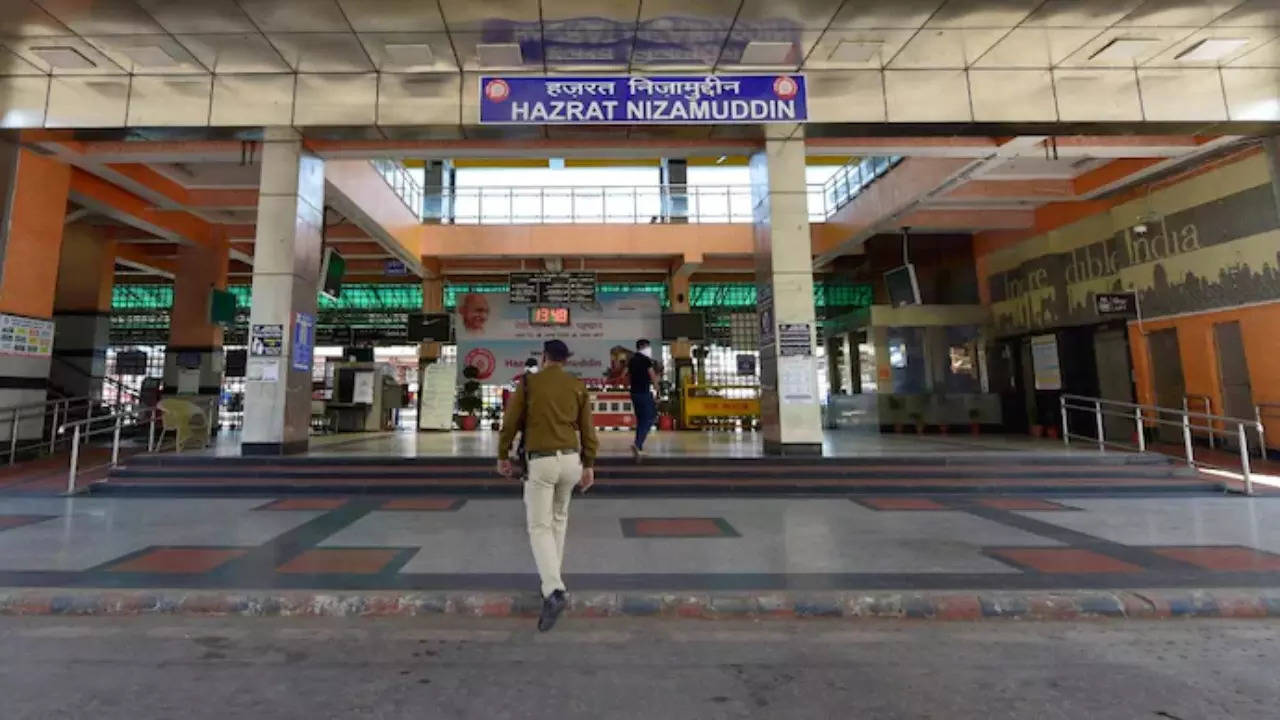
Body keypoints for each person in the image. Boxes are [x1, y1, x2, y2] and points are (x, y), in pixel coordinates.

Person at [497, 339, 597, 632]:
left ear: (544, 357)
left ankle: (554, 591)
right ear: (566, 359)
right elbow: (589, 430)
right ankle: (552, 582)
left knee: (539, 527)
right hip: (570, 461)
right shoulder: (577, 385)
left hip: (541, 463)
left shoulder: (529, 384)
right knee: (558, 522)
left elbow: (511, 422)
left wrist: (503, 455)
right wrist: (589, 464)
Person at [627, 339, 659, 459]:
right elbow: (652, 375)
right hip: (644, 392)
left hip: (634, 393)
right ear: (643, 347)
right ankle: (637, 443)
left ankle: (639, 446)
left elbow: (627, 376)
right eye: (648, 347)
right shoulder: (646, 360)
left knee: (641, 419)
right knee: (650, 417)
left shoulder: (632, 360)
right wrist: (657, 388)